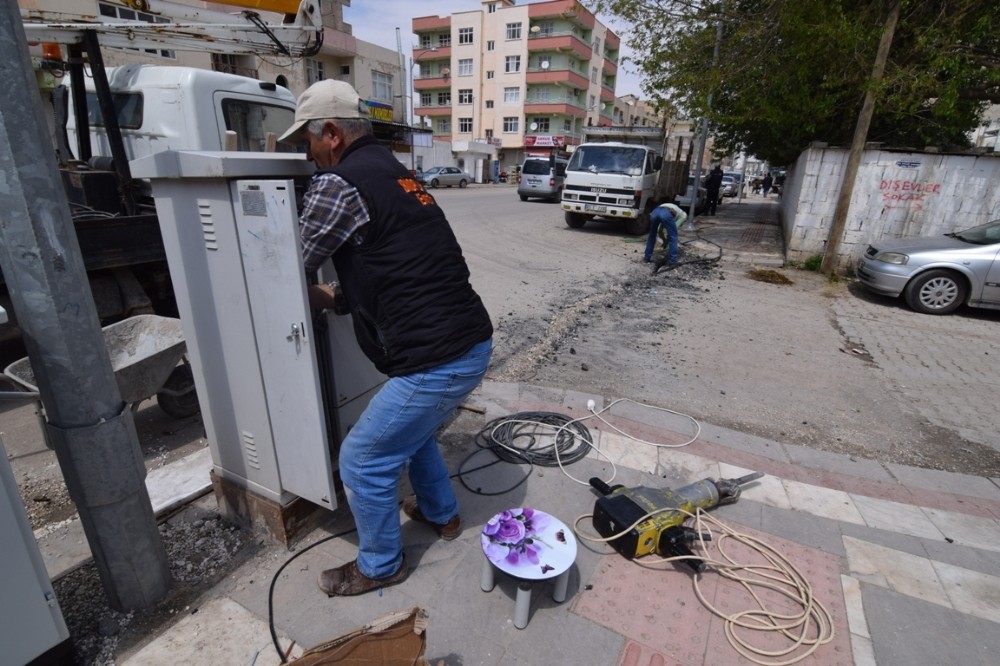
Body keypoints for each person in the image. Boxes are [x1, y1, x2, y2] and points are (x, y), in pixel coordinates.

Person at [279, 80, 494, 597]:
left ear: (330, 134)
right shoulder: (398, 175)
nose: (305, 157)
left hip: (435, 358)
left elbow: (283, 264)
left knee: (362, 459)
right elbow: (393, 268)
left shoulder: (337, 184)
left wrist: (282, 290)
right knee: (412, 435)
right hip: (468, 342)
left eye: (305, 143)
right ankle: (441, 515)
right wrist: (330, 298)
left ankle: (380, 566)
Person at [644, 201, 685, 265]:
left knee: (652, 235)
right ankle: (673, 261)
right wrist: (666, 240)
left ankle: (647, 257)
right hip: (667, 212)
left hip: (655, 212)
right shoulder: (683, 216)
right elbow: (673, 231)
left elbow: (660, 230)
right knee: (674, 237)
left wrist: (664, 240)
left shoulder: (673, 214)